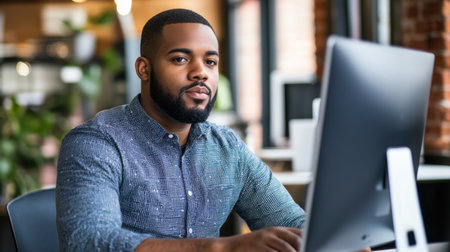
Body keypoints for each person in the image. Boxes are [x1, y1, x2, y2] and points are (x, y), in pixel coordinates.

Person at [57, 8, 307, 252]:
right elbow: (89, 242)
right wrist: (221, 247)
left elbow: (294, 225)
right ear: (144, 69)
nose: (201, 72)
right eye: (180, 59)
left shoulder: (227, 148)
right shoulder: (97, 142)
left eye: (210, 62)